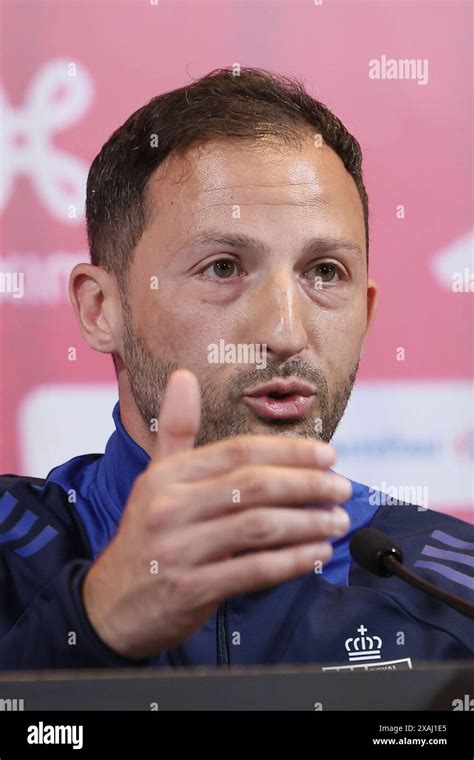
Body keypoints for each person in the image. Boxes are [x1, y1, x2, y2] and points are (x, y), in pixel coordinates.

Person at [1, 68, 472, 670]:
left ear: (367, 312)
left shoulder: (452, 593)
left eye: (325, 273)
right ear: (101, 309)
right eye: (223, 268)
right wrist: (93, 623)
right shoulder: (11, 551)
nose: (285, 333)